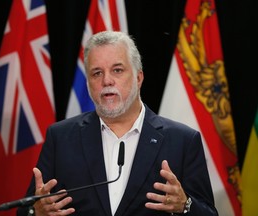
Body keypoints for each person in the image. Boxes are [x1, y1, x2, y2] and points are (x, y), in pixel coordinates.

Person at [17, 31, 218, 216]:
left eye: (117, 70)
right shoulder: (60, 138)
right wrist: (35, 212)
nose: (107, 81)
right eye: (97, 73)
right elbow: (27, 210)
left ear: (138, 78)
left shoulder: (182, 141)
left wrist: (185, 205)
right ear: (88, 83)